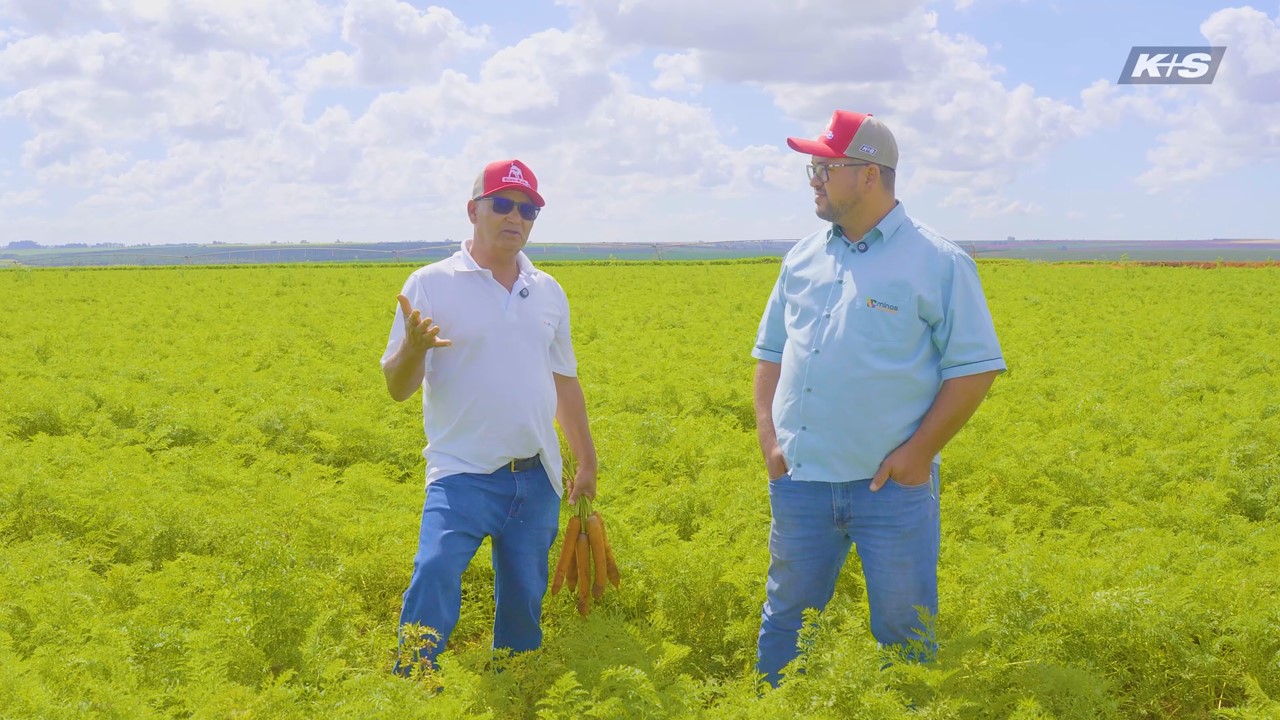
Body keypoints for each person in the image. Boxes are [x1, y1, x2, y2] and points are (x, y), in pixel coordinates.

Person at [751, 110, 1006, 687]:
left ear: (869, 175)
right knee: (786, 620)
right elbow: (770, 354)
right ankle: (773, 704)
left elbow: (975, 370)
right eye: (811, 167)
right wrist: (770, 440)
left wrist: (917, 455)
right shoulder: (802, 257)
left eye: (824, 166)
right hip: (801, 481)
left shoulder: (938, 262)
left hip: (890, 490)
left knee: (903, 630)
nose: (813, 177)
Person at [381, 158, 598, 674]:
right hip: (461, 472)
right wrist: (413, 350)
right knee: (434, 571)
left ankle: (514, 683)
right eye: (502, 204)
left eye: (528, 209)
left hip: (536, 476)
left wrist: (586, 459)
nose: (515, 217)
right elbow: (397, 387)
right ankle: (412, 685)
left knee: (524, 596)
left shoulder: (547, 290)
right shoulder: (430, 284)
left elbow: (563, 379)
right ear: (473, 209)